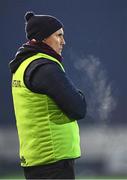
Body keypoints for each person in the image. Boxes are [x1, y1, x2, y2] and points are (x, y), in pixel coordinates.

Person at [10, 11, 87, 179]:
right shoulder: (45, 68)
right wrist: (78, 94)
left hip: (38, 158)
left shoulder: (24, 64)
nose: (63, 42)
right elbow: (78, 108)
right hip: (53, 162)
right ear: (43, 38)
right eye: (58, 35)